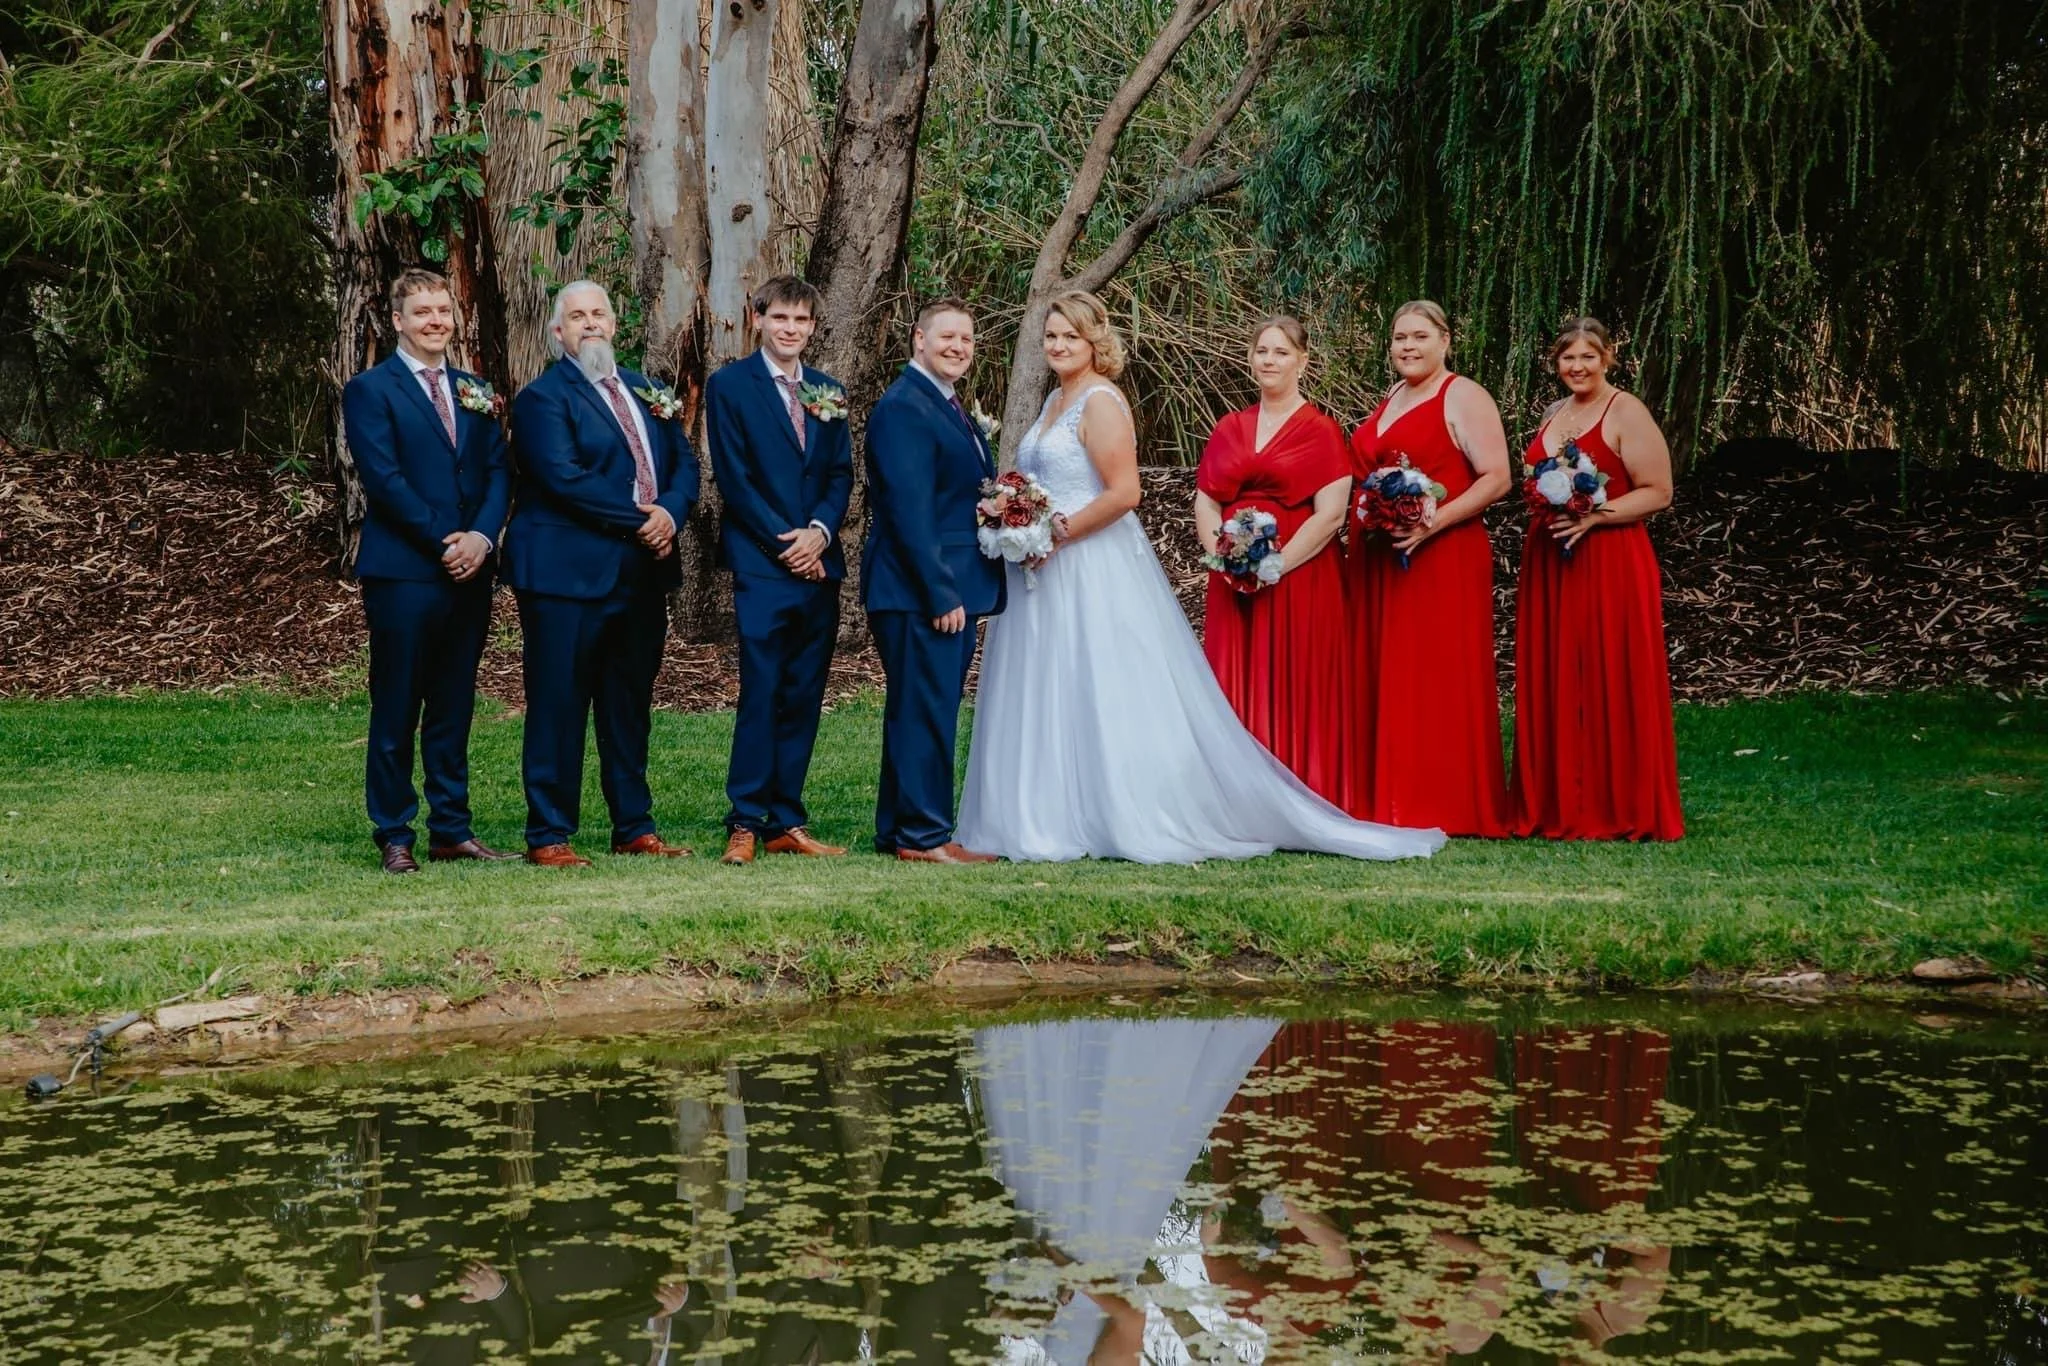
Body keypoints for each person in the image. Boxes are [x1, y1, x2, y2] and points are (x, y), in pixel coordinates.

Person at [955, 291, 1443, 864]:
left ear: (1095, 342)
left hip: (1087, 564)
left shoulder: (1101, 401)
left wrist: (1054, 532)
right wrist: (1020, 520)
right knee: (1047, 685)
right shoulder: (1051, 403)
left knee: (1098, 683)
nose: (1059, 345)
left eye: (1072, 337)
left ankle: (1115, 808)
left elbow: (1125, 493)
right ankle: (1041, 809)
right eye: (1052, 337)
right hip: (1043, 571)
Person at [503, 280, 699, 867]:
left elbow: (684, 464)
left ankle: (633, 825)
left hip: (641, 577)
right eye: (577, 316)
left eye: (600, 314)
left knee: (627, 703)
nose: (591, 324)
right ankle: (549, 833)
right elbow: (563, 478)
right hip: (567, 577)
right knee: (559, 702)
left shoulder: (648, 390)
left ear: (615, 324)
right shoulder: (544, 398)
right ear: (557, 331)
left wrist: (671, 513)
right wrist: (642, 520)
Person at [340, 268, 513, 874]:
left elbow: (497, 472)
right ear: (397, 321)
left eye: (443, 310)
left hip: (472, 570)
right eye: (422, 312)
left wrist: (483, 539)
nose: (436, 321)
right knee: (397, 702)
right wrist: (446, 541)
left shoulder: (475, 390)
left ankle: (452, 828)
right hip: (407, 571)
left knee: (453, 702)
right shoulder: (370, 390)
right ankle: (394, 831)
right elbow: (383, 480)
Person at [1511, 317, 1684, 841]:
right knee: (1559, 671)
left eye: (1588, 356)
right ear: (1555, 362)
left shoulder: (1625, 410)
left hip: (1609, 557)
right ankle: (1560, 799)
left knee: (1610, 670)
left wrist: (1595, 513)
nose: (1577, 367)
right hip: (1551, 560)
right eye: (1568, 358)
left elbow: (1658, 490)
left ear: (1608, 356)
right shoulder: (1552, 413)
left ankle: (1619, 803)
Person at [702, 275, 855, 866]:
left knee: (804, 693)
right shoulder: (730, 386)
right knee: (763, 691)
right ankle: (744, 818)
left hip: (819, 563)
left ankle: (786, 819)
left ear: (813, 327)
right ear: (758, 318)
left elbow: (839, 474)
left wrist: (818, 534)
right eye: (781, 319)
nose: (791, 330)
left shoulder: (827, 391)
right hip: (764, 565)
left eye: (802, 321)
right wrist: (784, 546)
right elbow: (735, 480)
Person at [1345, 300, 1512, 837]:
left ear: (1446, 340)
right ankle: (1390, 797)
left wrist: (1430, 522)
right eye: (1399, 338)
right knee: (1391, 672)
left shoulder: (1462, 395)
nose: (1408, 347)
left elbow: (1496, 478)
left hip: (1442, 556)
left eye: (1419, 336)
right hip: (1384, 559)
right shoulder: (1393, 395)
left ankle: (1442, 803)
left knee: (1435, 675)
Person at [862, 297, 1005, 863]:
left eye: (966, 340)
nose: (957, 347)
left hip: (936, 583)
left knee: (917, 707)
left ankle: (899, 830)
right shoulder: (905, 407)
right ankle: (924, 837)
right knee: (928, 708)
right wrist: (940, 592)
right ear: (918, 339)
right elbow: (907, 509)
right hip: (920, 589)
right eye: (946, 336)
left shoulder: (944, 404)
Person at [1194, 316, 1353, 802]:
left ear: (1303, 361)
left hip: (1298, 576)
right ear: (1250, 359)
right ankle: (1235, 797)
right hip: (1233, 577)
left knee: (1292, 680)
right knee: (1232, 678)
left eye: (1281, 352)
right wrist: (1221, 557)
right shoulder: (1230, 426)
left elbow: (1330, 516)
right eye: (1262, 351)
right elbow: (1206, 500)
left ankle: (1299, 790)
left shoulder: (1322, 431)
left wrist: (1276, 565)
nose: (1269, 360)